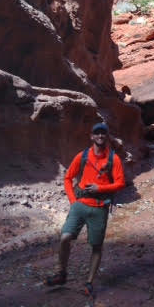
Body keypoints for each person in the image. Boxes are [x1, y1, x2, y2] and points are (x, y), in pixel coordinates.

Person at [45, 122, 125, 296]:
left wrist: (100, 189)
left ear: (107, 136)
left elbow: (120, 183)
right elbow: (68, 178)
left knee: (96, 246)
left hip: (100, 207)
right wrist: (73, 201)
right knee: (65, 236)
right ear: (91, 136)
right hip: (80, 204)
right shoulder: (82, 156)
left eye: (104, 133)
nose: (101, 136)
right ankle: (61, 273)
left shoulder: (113, 159)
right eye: (97, 133)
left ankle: (89, 283)